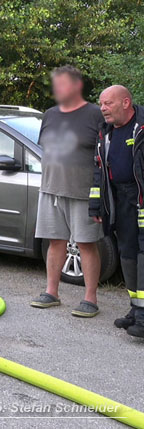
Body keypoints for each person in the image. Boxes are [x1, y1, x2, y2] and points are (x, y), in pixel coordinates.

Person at [31, 65, 104, 317]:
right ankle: (51, 292)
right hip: (51, 190)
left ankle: (90, 299)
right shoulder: (49, 114)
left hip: (83, 191)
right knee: (55, 242)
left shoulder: (96, 114)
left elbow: (104, 155)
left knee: (86, 244)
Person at [90, 85, 144, 337]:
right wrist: (96, 204)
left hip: (139, 198)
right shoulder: (106, 133)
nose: (102, 108)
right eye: (101, 104)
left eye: (107, 103)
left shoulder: (140, 128)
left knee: (143, 254)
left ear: (125, 102)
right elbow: (98, 172)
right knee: (127, 254)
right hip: (119, 201)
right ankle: (136, 308)